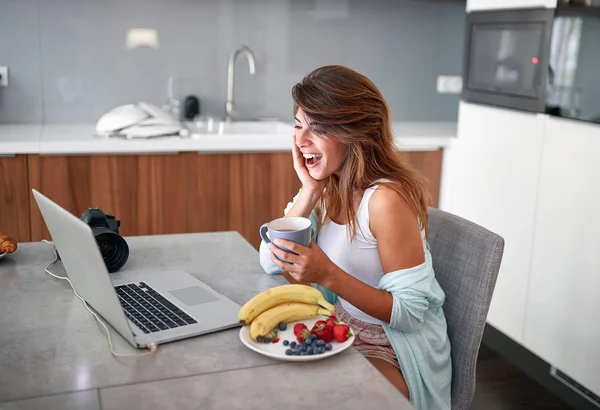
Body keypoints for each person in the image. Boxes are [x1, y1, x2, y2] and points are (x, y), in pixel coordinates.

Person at [259, 65, 452, 410]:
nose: (302, 142)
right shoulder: (328, 187)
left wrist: (327, 274)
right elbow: (269, 261)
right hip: (342, 325)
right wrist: (308, 190)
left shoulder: (386, 201)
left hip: (393, 347)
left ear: (355, 132)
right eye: (299, 126)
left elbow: (409, 315)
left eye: (317, 129)